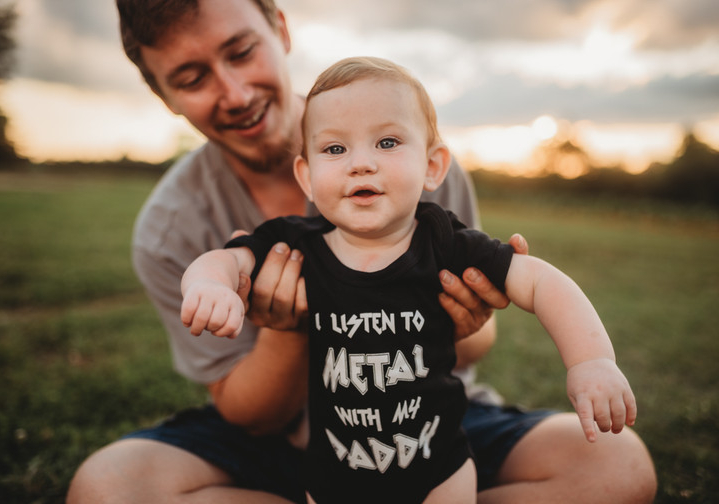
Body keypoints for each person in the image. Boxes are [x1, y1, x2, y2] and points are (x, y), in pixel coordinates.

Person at [66, 1, 657, 503]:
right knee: (106, 487)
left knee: (618, 464)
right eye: (192, 78)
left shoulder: (421, 198)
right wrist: (220, 289)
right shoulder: (187, 227)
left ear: (280, 28)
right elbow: (245, 383)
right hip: (283, 438)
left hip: (425, 424)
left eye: (241, 50)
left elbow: (524, 296)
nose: (235, 92)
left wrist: (588, 360)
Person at [179, 56, 638, 504]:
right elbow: (224, 260)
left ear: (434, 166)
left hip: (440, 469)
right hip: (334, 473)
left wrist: (590, 360)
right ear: (307, 176)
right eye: (335, 149)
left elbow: (539, 281)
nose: (360, 163)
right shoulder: (297, 244)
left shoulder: (446, 241)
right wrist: (211, 285)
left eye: (387, 142)